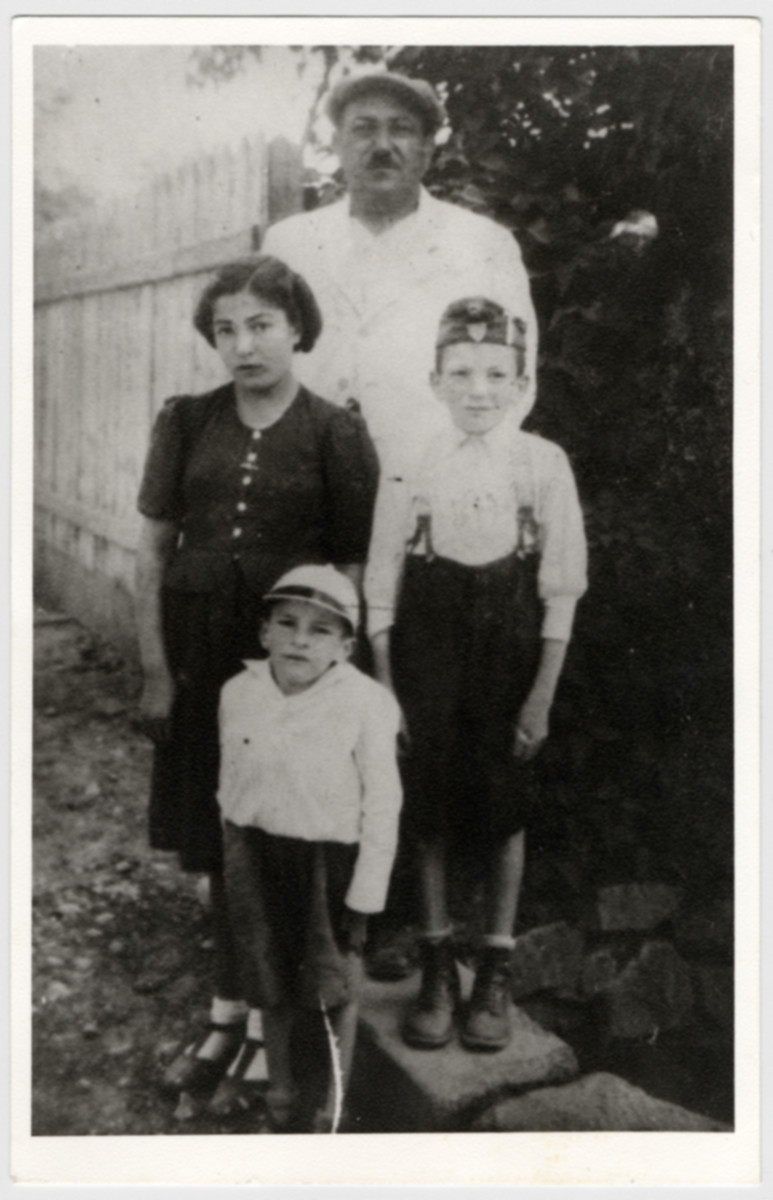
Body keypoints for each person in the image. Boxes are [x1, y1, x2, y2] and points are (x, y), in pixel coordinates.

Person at [134, 256, 379, 1100]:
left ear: (298, 329)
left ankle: (275, 1028)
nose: (243, 345)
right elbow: (152, 549)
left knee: (276, 843)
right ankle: (224, 1012)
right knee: (216, 837)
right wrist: (155, 667)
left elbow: (350, 567)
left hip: (289, 668)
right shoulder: (188, 420)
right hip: (200, 660)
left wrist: (333, 685)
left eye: (262, 325)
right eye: (226, 330)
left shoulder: (335, 432)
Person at [365, 297, 587, 1051]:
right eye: (460, 372)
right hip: (425, 662)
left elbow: (560, 589)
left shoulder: (541, 465)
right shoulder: (409, 464)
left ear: (522, 383)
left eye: (497, 374)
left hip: (509, 663)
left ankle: (492, 968)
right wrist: (389, 690)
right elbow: (381, 590)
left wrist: (541, 695)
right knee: (425, 812)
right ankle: (435, 967)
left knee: (504, 813)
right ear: (434, 380)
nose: (478, 389)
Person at [262, 69, 538, 478]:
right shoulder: (289, 244)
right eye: (364, 129)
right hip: (306, 481)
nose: (383, 146)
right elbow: (259, 362)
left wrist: (469, 469)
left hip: (433, 478)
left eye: (402, 129)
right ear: (337, 144)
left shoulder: (483, 244)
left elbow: (517, 374)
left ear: (427, 148)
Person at [214, 564, 402, 1132]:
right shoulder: (238, 692)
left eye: (321, 630)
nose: (300, 639)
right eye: (287, 623)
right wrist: (234, 853)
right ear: (264, 632)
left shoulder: (367, 703)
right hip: (256, 851)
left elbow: (383, 802)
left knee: (334, 979)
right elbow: (230, 782)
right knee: (266, 971)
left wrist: (366, 894)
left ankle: (332, 1105)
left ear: (345, 647)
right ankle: (280, 1090)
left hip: (330, 861)